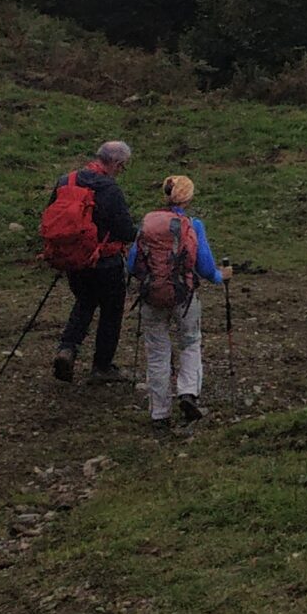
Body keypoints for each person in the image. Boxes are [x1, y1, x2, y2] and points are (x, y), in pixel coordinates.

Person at [126, 174, 227, 426]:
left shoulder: (148, 224)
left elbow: (132, 263)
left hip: (151, 296)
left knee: (157, 352)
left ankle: (159, 413)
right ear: (188, 198)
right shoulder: (192, 224)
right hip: (184, 296)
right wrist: (220, 276)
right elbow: (205, 267)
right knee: (190, 343)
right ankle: (188, 393)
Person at [45, 139, 135, 384]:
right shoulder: (110, 189)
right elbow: (126, 231)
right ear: (115, 163)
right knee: (111, 311)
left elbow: (50, 216)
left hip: (73, 259)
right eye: (123, 166)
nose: (122, 171)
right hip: (106, 262)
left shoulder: (67, 180)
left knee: (84, 302)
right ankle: (101, 367)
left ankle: (67, 348)